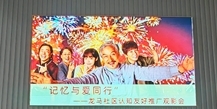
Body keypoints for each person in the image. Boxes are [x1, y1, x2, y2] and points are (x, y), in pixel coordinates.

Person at [31, 42, 195, 85]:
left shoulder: (130, 69)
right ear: (101, 59)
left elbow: (152, 72)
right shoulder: (98, 73)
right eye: (105, 56)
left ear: (119, 55)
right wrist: (55, 83)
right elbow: (79, 81)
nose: (110, 59)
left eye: (113, 54)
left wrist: (180, 68)